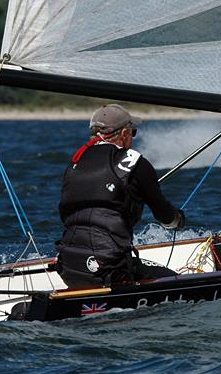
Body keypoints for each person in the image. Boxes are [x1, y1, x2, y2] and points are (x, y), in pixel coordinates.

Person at [56, 104, 185, 288]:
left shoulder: (75, 162)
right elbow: (163, 215)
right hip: (111, 269)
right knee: (174, 280)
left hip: (70, 267)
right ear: (124, 134)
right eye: (132, 133)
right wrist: (177, 221)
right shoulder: (135, 162)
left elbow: (64, 213)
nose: (132, 138)